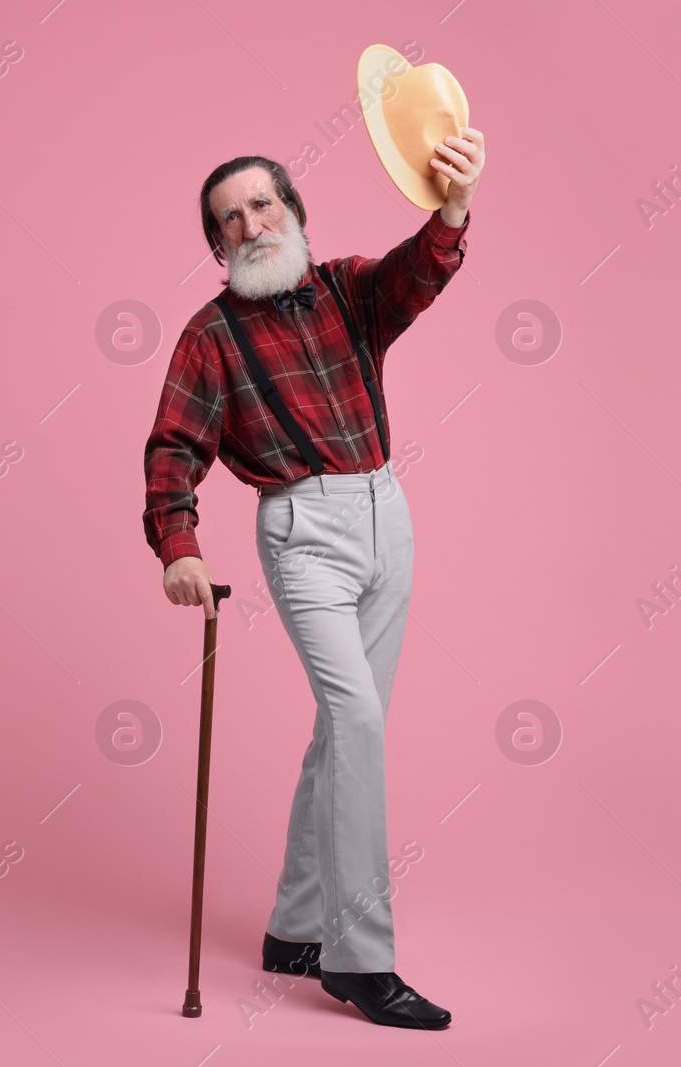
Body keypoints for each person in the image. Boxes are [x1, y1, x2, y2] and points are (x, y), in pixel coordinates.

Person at [142, 130, 484, 1029]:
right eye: (230, 220)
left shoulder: (347, 287)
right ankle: (359, 959)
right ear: (217, 246)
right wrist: (179, 546)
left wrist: (451, 207)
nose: (252, 224)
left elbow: (420, 271)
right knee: (358, 718)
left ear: (293, 210)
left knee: (347, 726)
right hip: (302, 532)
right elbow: (174, 448)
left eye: (263, 204)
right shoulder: (210, 336)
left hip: (386, 514)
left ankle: (293, 927)